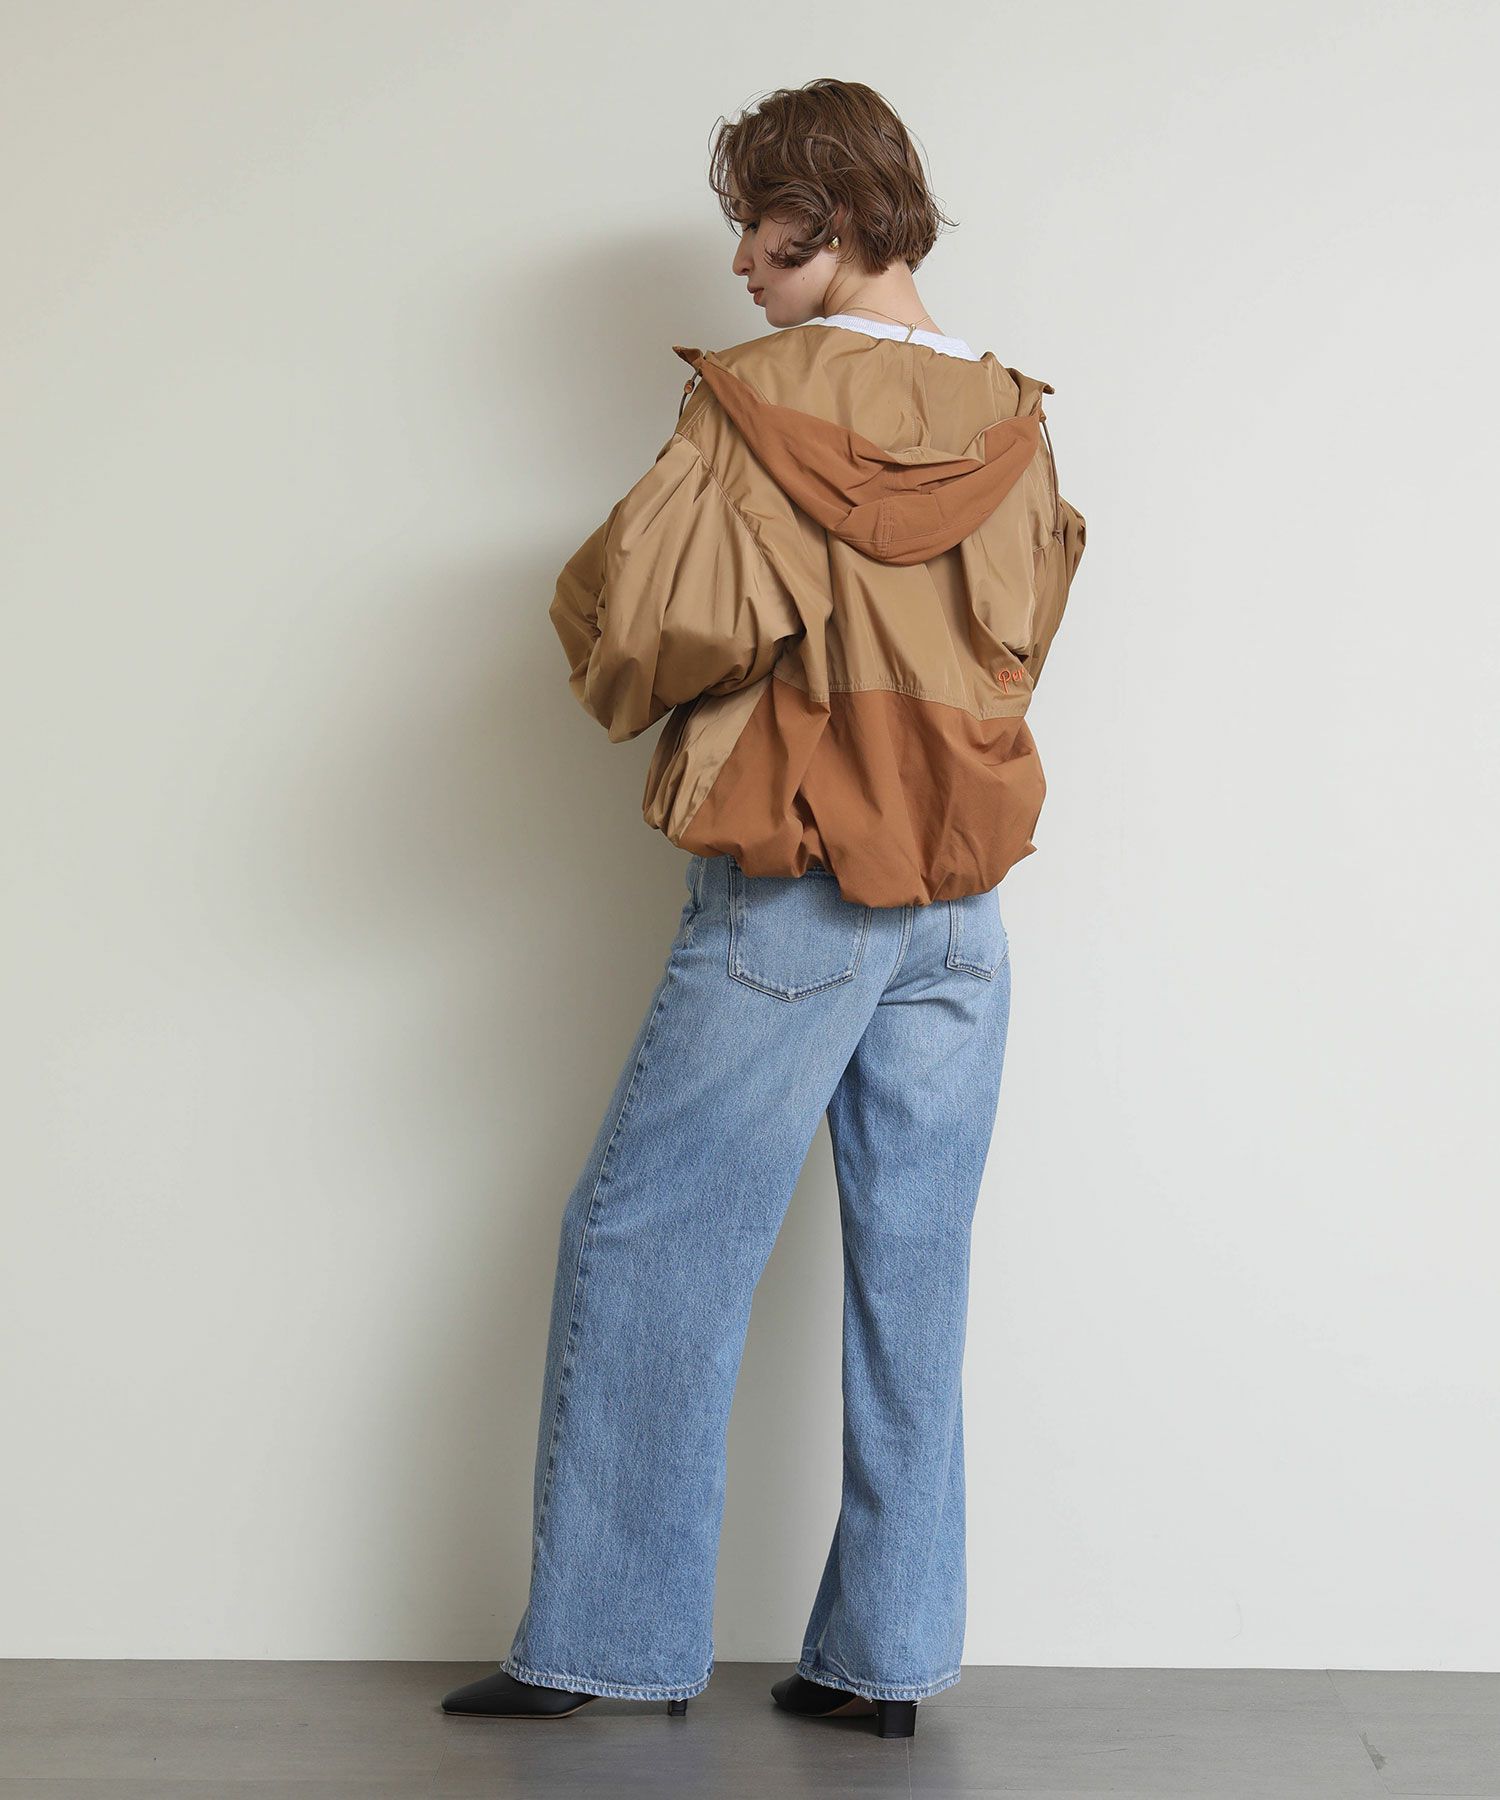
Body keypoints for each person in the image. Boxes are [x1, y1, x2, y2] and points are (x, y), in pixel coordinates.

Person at [441, 77, 1086, 1742]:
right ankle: (883, 1665)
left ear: (844, 215)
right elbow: (1020, 647)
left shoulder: (753, 405)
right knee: (914, 1274)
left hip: (799, 890)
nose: (738, 260)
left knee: (650, 1237)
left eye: (764, 224)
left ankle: (605, 1646)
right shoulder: (1017, 421)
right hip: (962, 912)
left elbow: (641, 629)